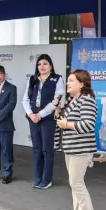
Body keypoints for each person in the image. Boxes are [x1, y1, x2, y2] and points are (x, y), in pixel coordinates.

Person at [55, 69, 98, 210]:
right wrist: (58, 110)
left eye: (71, 80)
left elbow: (88, 124)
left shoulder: (86, 101)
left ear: (82, 84)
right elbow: (61, 121)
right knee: (74, 185)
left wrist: (68, 125)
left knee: (77, 184)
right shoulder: (73, 100)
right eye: (68, 80)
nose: (68, 83)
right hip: (71, 148)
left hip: (81, 149)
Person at [22, 54, 64, 190]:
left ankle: (47, 179)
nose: (42, 66)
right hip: (33, 119)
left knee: (47, 150)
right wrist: (31, 114)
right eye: (39, 64)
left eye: (45, 64)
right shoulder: (33, 79)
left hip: (48, 119)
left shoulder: (57, 79)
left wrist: (40, 114)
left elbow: (56, 101)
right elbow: (25, 100)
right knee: (36, 149)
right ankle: (38, 178)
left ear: (51, 66)